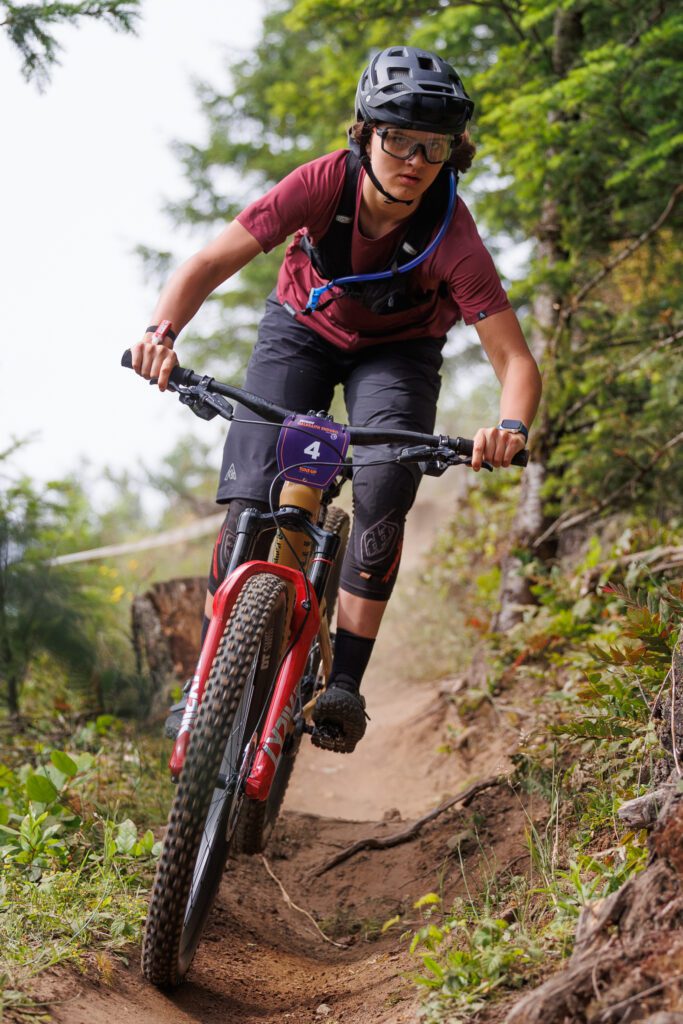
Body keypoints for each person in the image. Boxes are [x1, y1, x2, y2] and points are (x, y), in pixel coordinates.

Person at [131, 45, 542, 753]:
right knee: (251, 487)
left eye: (433, 145)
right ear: (364, 131)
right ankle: (201, 686)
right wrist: (160, 333)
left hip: (398, 353)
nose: (414, 158)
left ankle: (344, 684)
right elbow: (207, 262)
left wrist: (507, 426)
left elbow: (513, 360)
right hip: (301, 329)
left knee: (385, 481)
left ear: (452, 151)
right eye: (397, 137)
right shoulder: (322, 182)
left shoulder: (455, 236)